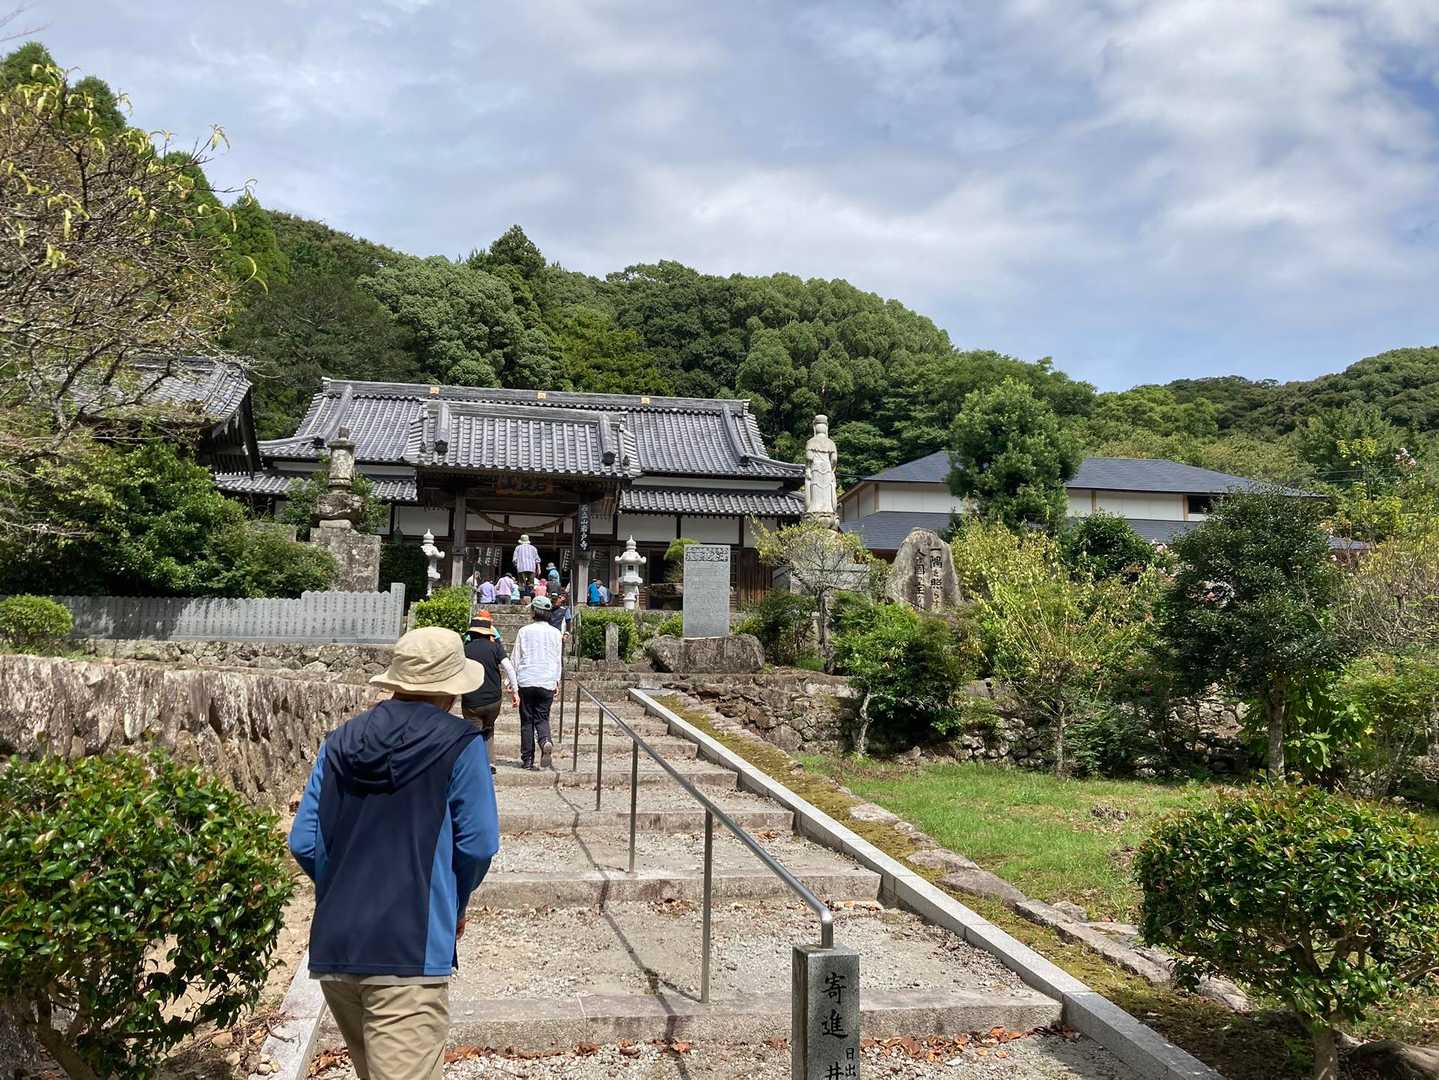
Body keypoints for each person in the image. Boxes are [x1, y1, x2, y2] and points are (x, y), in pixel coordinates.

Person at [289, 627, 499, 1080]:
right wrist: (456, 904)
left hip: (336, 945)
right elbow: (479, 843)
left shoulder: (340, 740)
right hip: (410, 948)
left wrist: (343, 888)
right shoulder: (460, 744)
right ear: (451, 688)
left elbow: (304, 840)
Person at [509, 596, 564, 771]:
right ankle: (545, 740)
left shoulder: (524, 631)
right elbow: (557, 660)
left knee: (527, 721)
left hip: (526, 679)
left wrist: (510, 681)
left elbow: (516, 657)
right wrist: (557, 681)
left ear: (534, 611)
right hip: (547, 680)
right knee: (542, 718)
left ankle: (527, 760)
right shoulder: (556, 633)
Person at [461, 612, 519, 774]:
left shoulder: (465, 649)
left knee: (473, 732)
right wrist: (515, 691)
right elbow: (509, 668)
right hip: (494, 700)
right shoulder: (495, 648)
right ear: (488, 633)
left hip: (471, 699)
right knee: (489, 727)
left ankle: (475, 764)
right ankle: (490, 763)